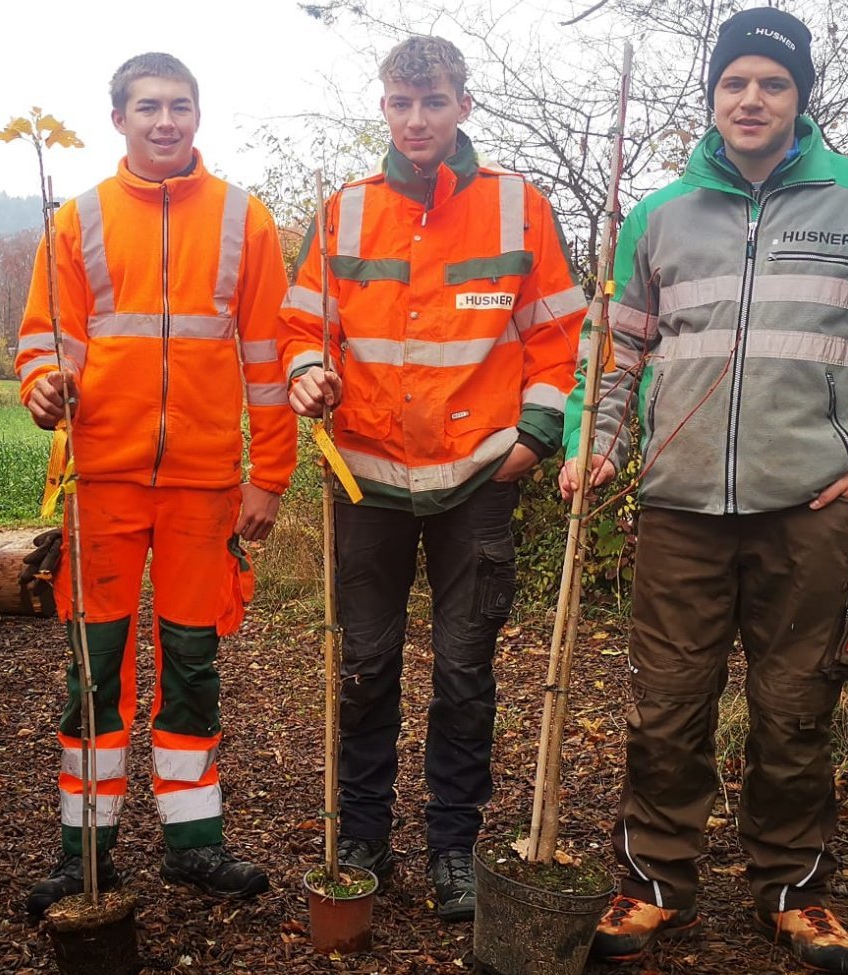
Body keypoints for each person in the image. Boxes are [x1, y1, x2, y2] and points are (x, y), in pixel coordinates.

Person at [560, 9, 848, 973]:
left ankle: (795, 892)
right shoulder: (659, 214)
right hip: (677, 506)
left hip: (812, 511)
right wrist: (598, 443)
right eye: (734, 82)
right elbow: (612, 356)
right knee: (666, 704)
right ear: (712, 95)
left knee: (796, 705)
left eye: (772, 84)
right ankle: (655, 882)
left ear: (800, 99)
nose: (751, 99)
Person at [280, 35, 584, 921]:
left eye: (434, 101)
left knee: (464, 669)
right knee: (364, 664)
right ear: (383, 107)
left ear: (463, 106)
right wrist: (305, 370)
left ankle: (455, 844)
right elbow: (301, 323)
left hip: (482, 479)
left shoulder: (519, 208)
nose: (417, 119)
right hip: (366, 479)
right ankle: (364, 834)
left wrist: (538, 430)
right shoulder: (341, 213)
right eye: (401, 103)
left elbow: (559, 337)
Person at [16, 52, 296, 914]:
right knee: (93, 673)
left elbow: (270, 363)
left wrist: (271, 476)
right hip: (98, 482)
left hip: (205, 486)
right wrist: (41, 388)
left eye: (179, 105)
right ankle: (83, 854)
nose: (165, 120)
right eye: (148, 107)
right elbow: (44, 340)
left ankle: (195, 844)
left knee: (193, 664)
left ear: (197, 115)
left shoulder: (246, 220)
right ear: (119, 119)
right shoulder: (77, 220)